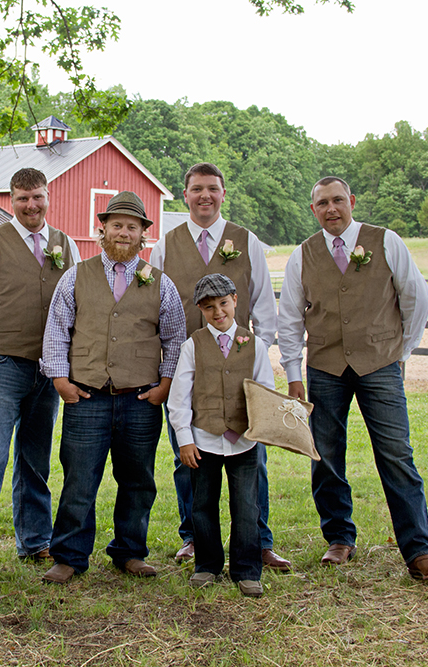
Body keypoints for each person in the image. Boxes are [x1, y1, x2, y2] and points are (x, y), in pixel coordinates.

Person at [279, 176, 428, 581]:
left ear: (352, 201)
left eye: (338, 200)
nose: (331, 209)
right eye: (322, 203)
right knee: (324, 456)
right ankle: (338, 538)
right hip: (324, 369)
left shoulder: (386, 241)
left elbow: (415, 299)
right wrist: (293, 374)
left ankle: (420, 552)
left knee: (396, 454)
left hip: (381, 366)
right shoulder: (301, 256)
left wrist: (399, 352)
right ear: (313, 209)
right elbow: (289, 319)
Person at [40, 191, 185, 584]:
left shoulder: (161, 283)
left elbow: (174, 337)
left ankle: (130, 552)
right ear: (102, 229)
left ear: (143, 236)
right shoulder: (76, 275)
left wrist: (165, 385)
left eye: (132, 227)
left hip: (141, 397)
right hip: (87, 396)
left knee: (138, 479)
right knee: (79, 478)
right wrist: (59, 380)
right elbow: (57, 329)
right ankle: (69, 555)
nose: (124, 232)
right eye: (117, 225)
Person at [149, 163, 287, 571]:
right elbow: (156, 309)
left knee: (251, 457)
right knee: (188, 457)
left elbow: (263, 304)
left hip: (239, 367)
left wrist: (256, 353)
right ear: (185, 195)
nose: (204, 196)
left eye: (212, 189)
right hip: (187, 368)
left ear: (223, 193)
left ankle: (258, 540)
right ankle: (194, 538)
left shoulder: (246, 241)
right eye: (196, 189)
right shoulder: (165, 245)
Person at [0, 168, 81, 580]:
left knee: (35, 460)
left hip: (50, 369)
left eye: (38, 197)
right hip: (1, 366)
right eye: (23, 199)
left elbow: (79, 307)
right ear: (11, 200)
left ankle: (36, 541)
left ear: (48, 196)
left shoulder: (66, 245)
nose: (31, 205)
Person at [168, 274, 276, 596]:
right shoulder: (193, 346)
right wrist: (185, 439)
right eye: (210, 307)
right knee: (202, 505)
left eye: (223, 304)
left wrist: (262, 427)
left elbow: (265, 391)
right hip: (203, 441)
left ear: (235, 301)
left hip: (244, 442)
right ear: (201, 309)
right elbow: (179, 398)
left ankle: (246, 569)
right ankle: (207, 564)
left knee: (246, 505)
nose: (218, 313)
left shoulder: (253, 344)